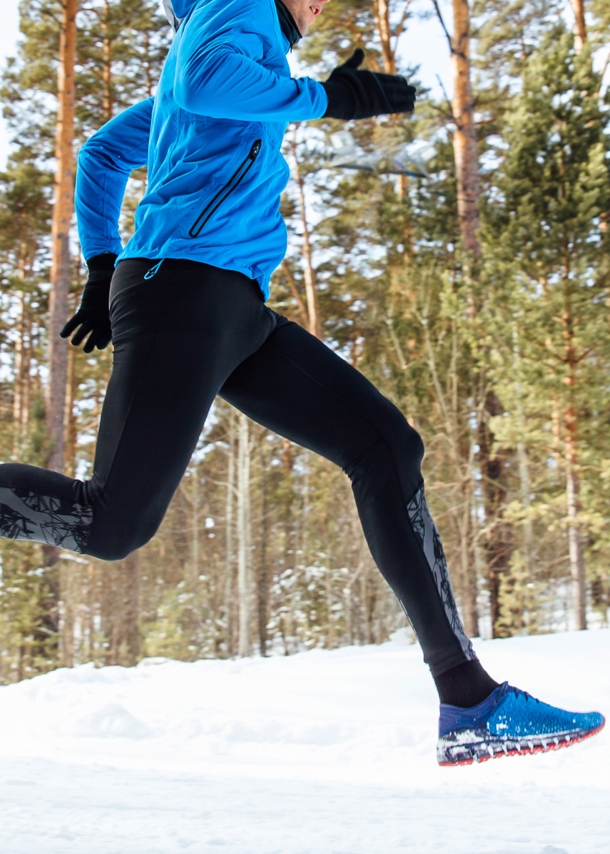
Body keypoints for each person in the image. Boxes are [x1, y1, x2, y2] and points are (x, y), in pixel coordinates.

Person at [0, 0, 603, 766]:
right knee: (111, 524)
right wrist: (330, 98)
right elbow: (207, 80)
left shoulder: (242, 51)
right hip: (183, 290)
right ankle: (469, 700)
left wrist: (98, 265)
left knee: (387, 447)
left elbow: (104, 152)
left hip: (230, 306)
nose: (321, 2)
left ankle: (469, 700)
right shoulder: (236, 8)